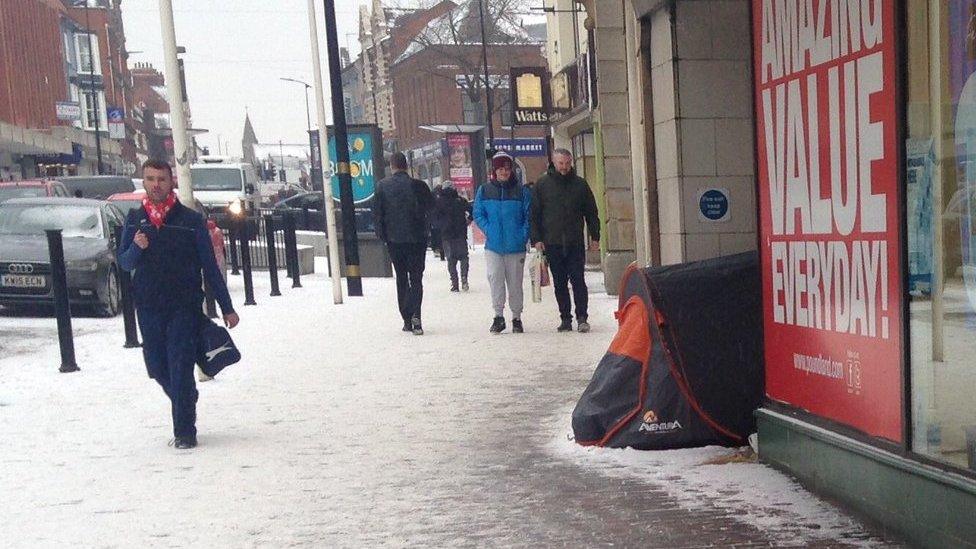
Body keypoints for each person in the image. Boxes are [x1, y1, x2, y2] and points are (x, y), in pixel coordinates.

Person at [117, 158, 239, 450]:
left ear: (171, 181)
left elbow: (210, 267)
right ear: (144, 182)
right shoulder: (135, 220)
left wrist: (227, 307)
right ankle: (185, 397)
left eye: (161, 179)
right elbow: (124, 262)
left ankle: (185, 431)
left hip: (184, 307)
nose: (156, 184)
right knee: (158, 366)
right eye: (150, 179)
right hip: (148, 307)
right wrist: (137, 247)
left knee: (181, 365)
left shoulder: (190, 221)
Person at [530, 148, 600, 333]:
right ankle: (565, 318)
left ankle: (582, 317)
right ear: (554, 162)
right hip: (552, 243)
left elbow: (591, 212)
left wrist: (595, 236)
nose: (564, 167)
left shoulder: (580, 185)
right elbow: (535, 214)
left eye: (568, 163)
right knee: (560, 283)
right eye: (561, 163)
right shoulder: (542, 185)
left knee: (578, 280)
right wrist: (536, 238)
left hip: (574, 242)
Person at [372, 152, 434, 335]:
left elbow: (378, 214)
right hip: (417, 240)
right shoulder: (419, 186)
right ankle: (417, 316)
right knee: (416, 278)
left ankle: (406, 318)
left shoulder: (382, 187)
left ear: (392, 166)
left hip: (394, 240)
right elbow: (431, 209)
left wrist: (383, 236)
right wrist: (426, 231)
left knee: (401, 277)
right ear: (406, 166)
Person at [473, 151, 532, 334]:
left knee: (515, 282)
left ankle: (516, 317)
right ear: (494, 171)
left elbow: (528, 215)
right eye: (500, 169)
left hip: (515, 246)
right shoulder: (484, 190)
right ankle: (498, 316)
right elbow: (478, 213)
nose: (504, 172)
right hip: (494, 247)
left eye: (507, 169)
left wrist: (523, 235)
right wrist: (489, 229)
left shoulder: (521, 191)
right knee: (495, 279)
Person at [434, 183, 472, 292]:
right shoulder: (460, 200)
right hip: (460, 233)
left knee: (451, 259)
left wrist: (440, 226)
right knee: (464, 256)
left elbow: (434, 218)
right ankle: (464, 278)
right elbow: (472, 211)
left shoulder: (439, 202)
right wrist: (468, 220)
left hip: (447, 235)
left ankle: (454, 283)